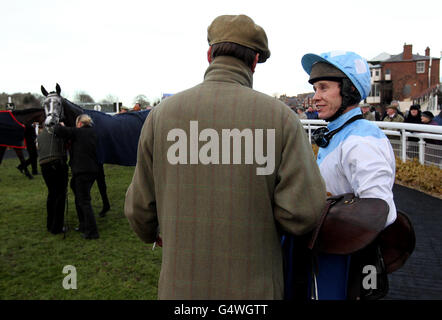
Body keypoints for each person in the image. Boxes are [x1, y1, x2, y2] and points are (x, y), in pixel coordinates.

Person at [124, 14, 326, 300]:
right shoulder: (281, 118)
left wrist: (159, 230)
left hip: (179, 289)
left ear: (209, 55)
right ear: (255, 61)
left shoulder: (161, 115)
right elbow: (304, 212)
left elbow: (139, 211)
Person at [301, 50, 397, 300]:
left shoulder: (360, 141)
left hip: (344, 259)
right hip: (330, 250)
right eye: (315, 89)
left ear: (348, 90)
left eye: (323, 88)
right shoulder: (340, 133)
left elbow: (380, 210)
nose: (316, 97)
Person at [54, 114, 100, 239]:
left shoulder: (79, 132)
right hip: (91, 170)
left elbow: (59, 131)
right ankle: (83, 224)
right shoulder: (93, 133)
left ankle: (92, 231)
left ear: (80, 123)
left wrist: (61, 124)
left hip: (82, 171)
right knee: (77, 192)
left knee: (84, 201)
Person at [37, 125, 68, 234]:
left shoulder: (40, 135)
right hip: (56, 163)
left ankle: (50, 223)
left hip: (44, 166)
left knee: (52, 194)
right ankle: (57, 227)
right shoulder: (56, 132)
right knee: (60, 195)